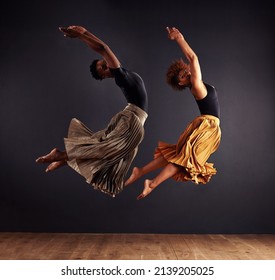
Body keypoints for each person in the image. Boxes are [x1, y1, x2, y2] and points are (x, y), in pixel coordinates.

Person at [36, 26, 148, 197]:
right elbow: (103, 49)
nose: (105, 63)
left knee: (106, 150)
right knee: (105, 149)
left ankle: (64, 157)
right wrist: (81, 36)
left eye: (103, 63)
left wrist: (85, 32)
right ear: (104, 75)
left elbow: (104, 49)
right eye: (103, 67)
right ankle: (62, 155)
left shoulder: (123, 73)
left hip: (132, 119)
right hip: (132, 120)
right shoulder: (120, 77)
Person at [125, 27, 221, 200]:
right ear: (182, 83)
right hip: (207, 127)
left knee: (179, 155)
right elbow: (193, 58)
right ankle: (151, 183)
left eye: (185, 70)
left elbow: (191, 63)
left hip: (206, 127)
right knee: (185, 161)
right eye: (182, 76)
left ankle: (141, 171)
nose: (186, 73)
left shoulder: (198, 84)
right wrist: (179, 38)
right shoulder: (196, 86)